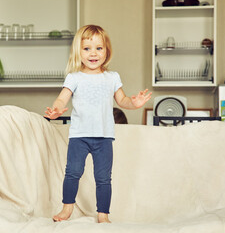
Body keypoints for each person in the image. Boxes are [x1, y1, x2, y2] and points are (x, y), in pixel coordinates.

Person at [44, 25, 152, 223]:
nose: (93, 53)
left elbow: (123, 100)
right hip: (79, 136)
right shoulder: (74, 77)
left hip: (104, 137)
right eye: (87, 49)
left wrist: (134, 103)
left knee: (103, 179)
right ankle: (66, 209)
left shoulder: (112, 77)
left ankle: (103, 215)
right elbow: (62, 99)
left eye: (98, 48)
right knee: (73, 173)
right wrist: (57, 109)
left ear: (106, 51)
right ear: (79, 51)